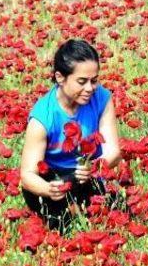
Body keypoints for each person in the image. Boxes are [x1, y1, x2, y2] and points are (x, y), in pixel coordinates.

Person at [20, 39, 122, 233]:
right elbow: (27, 175)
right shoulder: (43, 117)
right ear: (60, 77)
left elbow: (113, 152)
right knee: (66, 231)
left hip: (89, 175)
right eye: (82, 82)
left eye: (94, 80)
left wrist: (94, 167)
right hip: (54, 181)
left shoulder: (101, 98)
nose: (90, 88)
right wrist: (48, 190)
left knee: (119, 218)